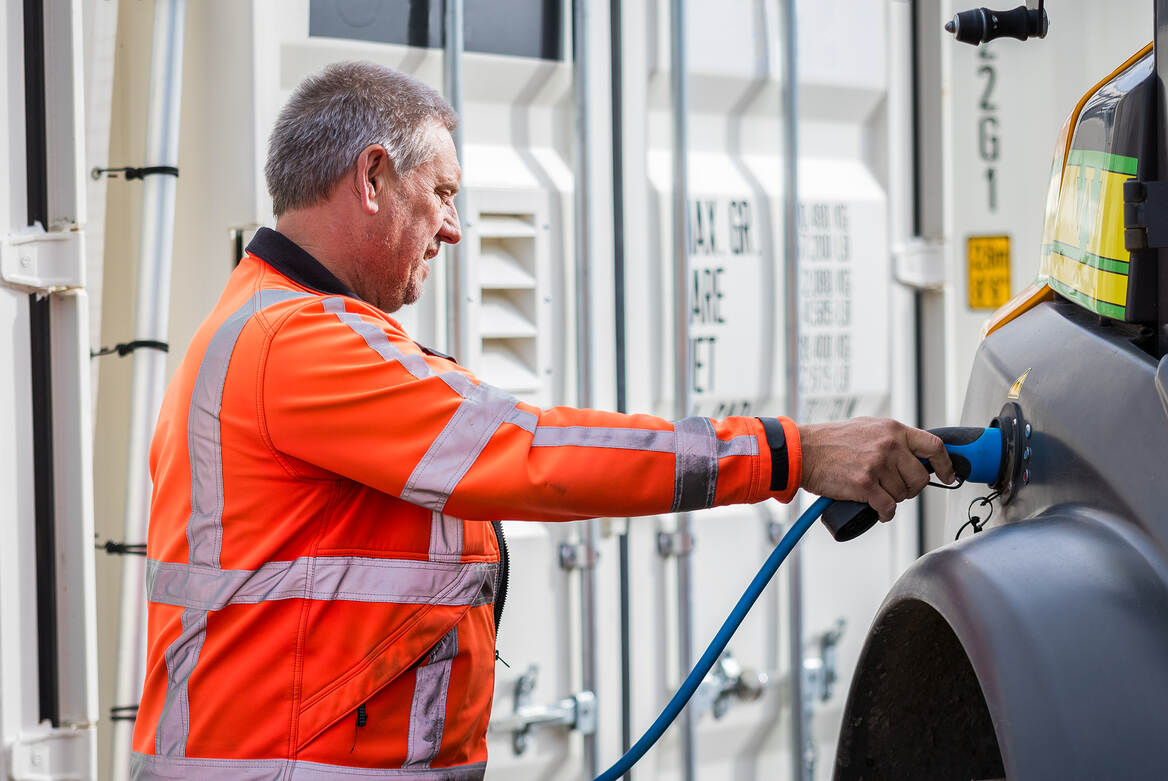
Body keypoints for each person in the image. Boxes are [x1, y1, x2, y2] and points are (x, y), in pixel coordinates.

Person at [129, 61, 954, 780]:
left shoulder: (276, 329)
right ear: (373, 177)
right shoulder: (298, 343)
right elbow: (533, 452)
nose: (453, 228)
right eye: (442, 193)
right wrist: (789, 452)